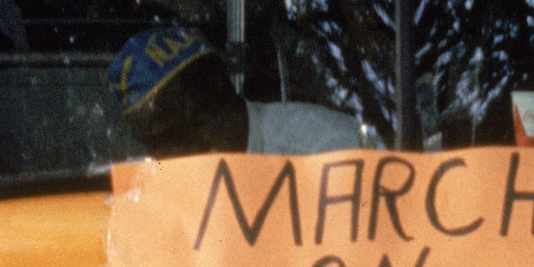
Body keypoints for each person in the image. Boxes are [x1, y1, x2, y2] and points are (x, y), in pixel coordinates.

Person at [111, 27, 362, 157]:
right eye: (150, 138)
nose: (164, 150)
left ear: (216, 83)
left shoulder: (319, 144)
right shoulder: (173, 192)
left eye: (172, 118)